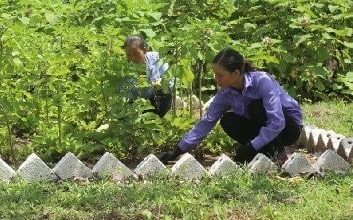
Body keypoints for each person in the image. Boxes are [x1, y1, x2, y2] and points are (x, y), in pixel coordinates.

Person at [158, 48, 303, 165]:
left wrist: (251, 146)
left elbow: (277, 121)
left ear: (236, 73)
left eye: (220, 75)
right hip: (264, 130)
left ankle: (277, 153)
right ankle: (266, 152)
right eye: (215, 75)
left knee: (255, 107)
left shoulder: (262, 81)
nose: (216, 79)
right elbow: (206, 122)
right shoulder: (225, 94)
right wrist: (177, 151)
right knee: (228, 120)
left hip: (288, 129)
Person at [122, 35, 173, 117]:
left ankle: (159, 119)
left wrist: (161, 83)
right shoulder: (124, 68)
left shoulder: (157, 58)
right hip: (135, 104)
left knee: (165, 93)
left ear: (145, 50)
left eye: (136, 54)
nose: (133, 58)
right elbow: (124, 94)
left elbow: (170, 81)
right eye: (129, 55)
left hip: (156, 100)